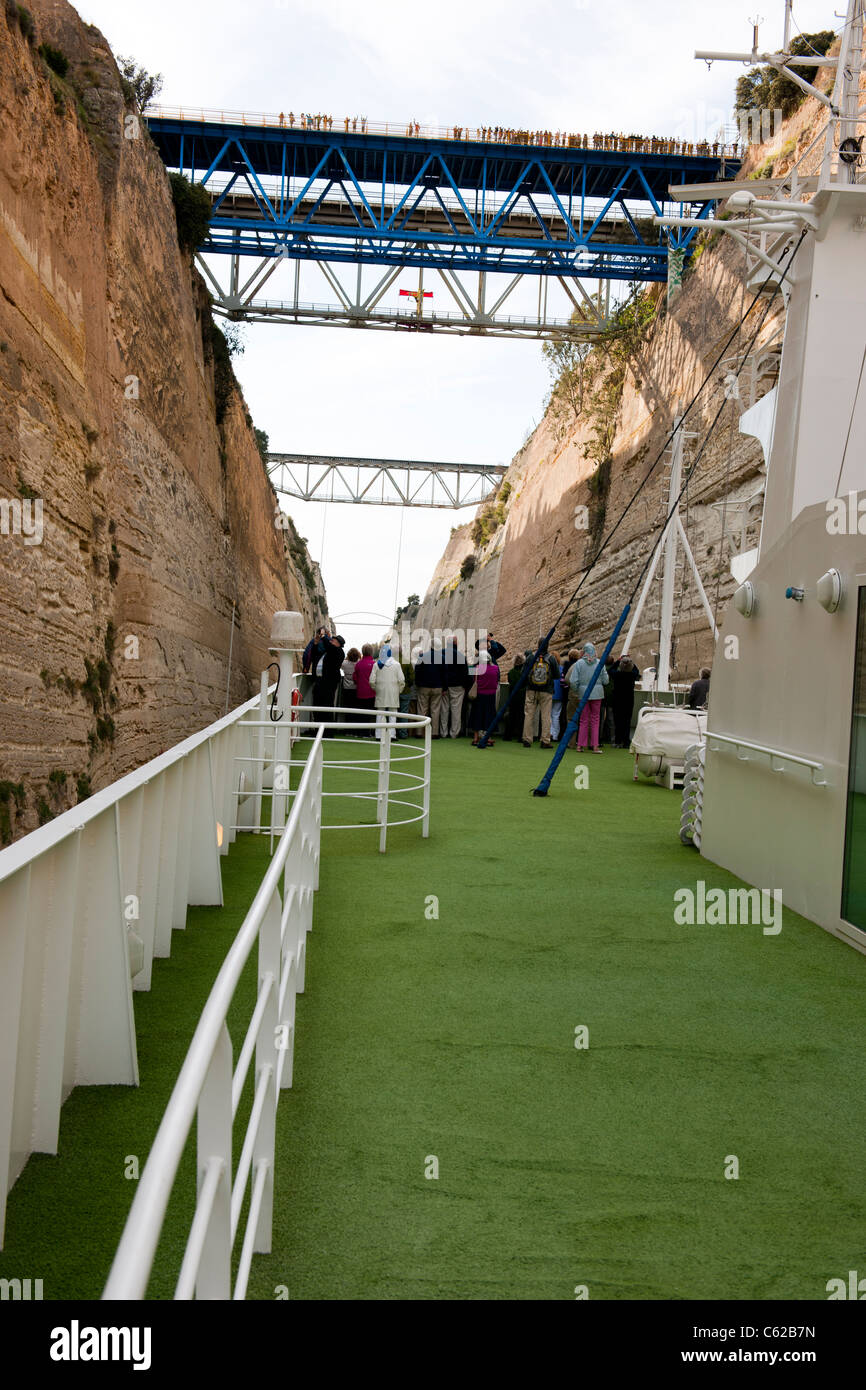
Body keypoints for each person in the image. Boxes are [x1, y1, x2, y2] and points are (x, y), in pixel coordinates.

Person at [567, 642, 609, 753]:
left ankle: (580, 746)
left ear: (584, 652)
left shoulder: (579, 663)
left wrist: (577, 690)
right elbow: (606, 680)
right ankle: (595, 746)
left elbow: (573, 681)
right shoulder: (600, 663)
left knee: (583, 720)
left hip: (583, 694)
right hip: (597, 694)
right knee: (595, 720)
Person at [522, 646, 559, 749]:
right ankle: (545, 741)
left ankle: (527, 739)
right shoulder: (551, 658)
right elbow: (557, 675)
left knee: (529, 715)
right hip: (546, 691)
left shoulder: (531, 657)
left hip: (531, 690)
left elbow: (523, 673)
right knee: (546, 716)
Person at [370, 644, 405, 740]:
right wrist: (399, 691)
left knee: (380, 713)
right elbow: (401, 680)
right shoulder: (397, 665)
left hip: (380, 691)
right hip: (393, 691)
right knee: (393, 713)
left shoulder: (376, 664)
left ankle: (379, 735)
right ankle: (391, 735)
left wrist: (376, 689)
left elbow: (371, 680)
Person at [312, 634, 345, 733]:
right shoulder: (327, 651)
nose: (330, 642)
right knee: (316, 705)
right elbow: (314, 655)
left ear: (339, 644)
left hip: (329, 683)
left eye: (333, 641)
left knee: (327, 705)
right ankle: (317, 730)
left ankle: (327, 731)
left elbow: (329, 646)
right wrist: (316, 644)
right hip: (319, 681)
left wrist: (323, 636)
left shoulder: (338, 652)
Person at [439, 637, 471, 738]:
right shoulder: (460, 656)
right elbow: (465, 673)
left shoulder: (440, 653)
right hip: (457, 686)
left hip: (444, 685)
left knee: (444, 710)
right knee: (456, 710)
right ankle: (454, 733)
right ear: (455, 643)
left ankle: (443, 732)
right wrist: (465, 685)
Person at [414, 640, 446, 737]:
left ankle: (419, 732)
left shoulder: (422, 656)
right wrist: (444, 688)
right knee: (435, 710)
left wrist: (418, 684)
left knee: (422, 709)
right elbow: (445, 674)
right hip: (437, 686)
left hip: (423, 686)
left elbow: (417, 671)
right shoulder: (442, 658)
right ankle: (435, 733)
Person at [469, 649, 500, 747]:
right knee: (489, 716)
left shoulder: (477, 668)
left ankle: (475, 738)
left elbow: (471, 677)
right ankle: (488, 738)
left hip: (479, 695)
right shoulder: (495, 668)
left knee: (477, 716)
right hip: (491, 695)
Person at [610, 654, 640, 747]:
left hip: (617, 700)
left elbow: (610, 670)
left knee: (617, 720)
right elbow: (637, 671)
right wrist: (631, 661)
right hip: (628, 700)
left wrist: (618, 661)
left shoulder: (617, 675)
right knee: (627, 721)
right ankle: (626, 741)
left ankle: (618, 740)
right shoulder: (632, 675)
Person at [353, 643, 377, 735]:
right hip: (371, 692)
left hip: (360, 691)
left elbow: (355, 678)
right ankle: (367, 732)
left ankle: (360, 731)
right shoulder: (374, 664)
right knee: (369, 713)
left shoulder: (358, 664)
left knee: (361, 713)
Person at [503, 654, 527, 741]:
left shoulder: (511, 672)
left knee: (511, 716)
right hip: (522, 696)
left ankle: (507, 735)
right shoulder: (525, 672)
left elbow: (510, 682)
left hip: (512, 696)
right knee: (521, 717)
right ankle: (520, 736)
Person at [340, 646, 360, 727]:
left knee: (347, 709)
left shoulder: (344, 664)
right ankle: (354, 727)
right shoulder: (358, 664)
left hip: (347, 688)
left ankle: (347, 728)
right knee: (355, 709)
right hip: (356, 688)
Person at [549, 651, 564, 741]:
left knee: (548, 715)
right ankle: (555, 735)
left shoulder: (548, 669)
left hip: (550, 693)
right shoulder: (561, 669)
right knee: (556, 715)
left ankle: (549, 734)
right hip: (559, 694)